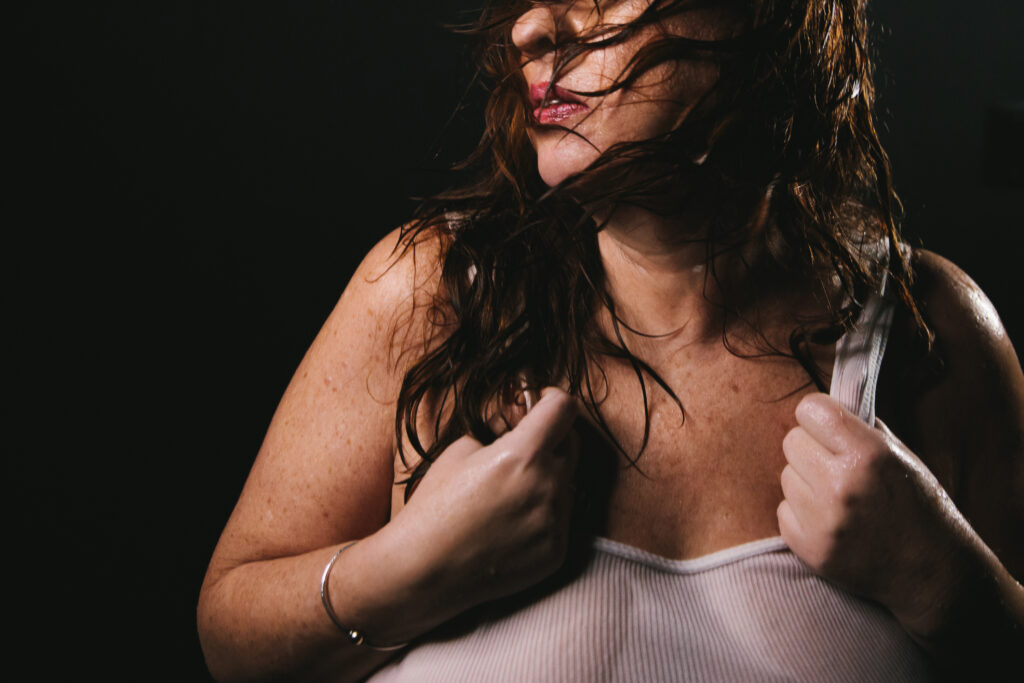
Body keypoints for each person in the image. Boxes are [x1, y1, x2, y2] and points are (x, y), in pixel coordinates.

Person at [197, 1, 1024, 680]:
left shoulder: (931, 336)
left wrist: (947, 589)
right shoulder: (431, 295)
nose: (532, 27)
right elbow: (230, 638)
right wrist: (401, 572)